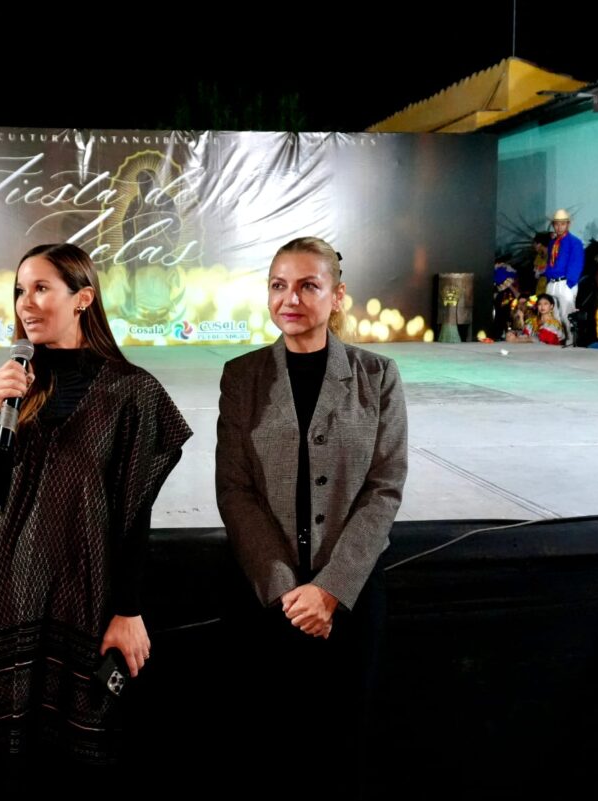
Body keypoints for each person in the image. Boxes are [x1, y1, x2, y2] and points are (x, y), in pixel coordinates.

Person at [0, 243, 191, 776]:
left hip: (87, 595)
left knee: (82, 750)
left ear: (82, 298)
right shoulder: (6, 384)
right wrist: (1, 414)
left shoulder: (132, 392)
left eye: (41, 288)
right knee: (10, 753)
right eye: (20, 290)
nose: (26, 303)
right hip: (11, 591)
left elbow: (135, 512)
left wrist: (128, 610)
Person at [215, 236, 408, 794]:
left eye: (307, 286)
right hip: (265, 595)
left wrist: (330, 589)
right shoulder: (243, 377)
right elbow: (235, 490)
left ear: (337, 296)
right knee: (268, 748)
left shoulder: (377, 376)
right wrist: (285, 590)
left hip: (350, 597)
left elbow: (384, 488)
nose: (290, 299)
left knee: (344, 749)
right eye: (279, 285)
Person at [544, 209, 583, 344]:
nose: (559, 227)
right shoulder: (552, 243)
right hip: (552, 283)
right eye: (556, 224)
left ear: (568, 224)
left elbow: (576, 263)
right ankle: (556, 341)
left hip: (565, 282)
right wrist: (548, 280)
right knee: (553, 315)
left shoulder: (574, 242)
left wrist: (570, 283)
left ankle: (570, 343)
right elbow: (550, 261)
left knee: (566, 315)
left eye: (562, 224)